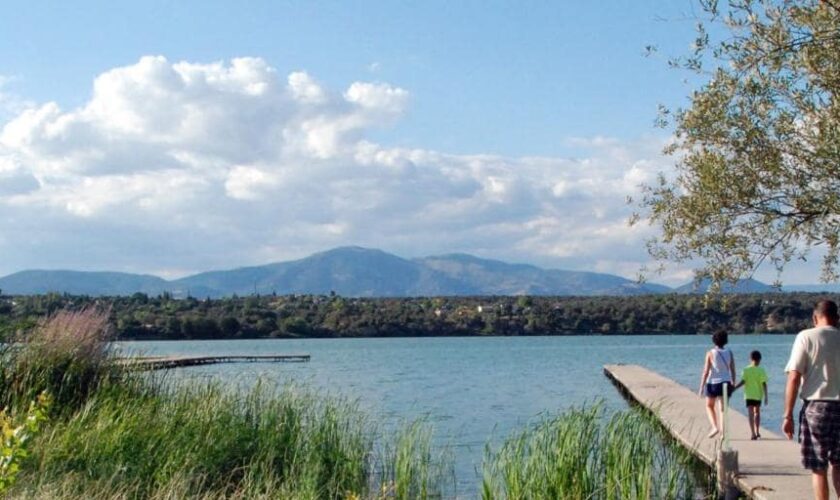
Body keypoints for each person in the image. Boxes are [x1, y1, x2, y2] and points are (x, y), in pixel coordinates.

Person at [783, 299, 840, 500]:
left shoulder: (806, 337)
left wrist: (787, 415)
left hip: (817, 407)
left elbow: (794, 377)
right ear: (837, 318)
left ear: (815, 318)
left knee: (818, 466)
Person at [699, 329, 736, 438]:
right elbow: (733, 369)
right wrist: (733, 382)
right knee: (723, 409)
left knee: (709, 405)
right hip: (726, 382)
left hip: (713, 383)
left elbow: (706, 371)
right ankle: (723, 433)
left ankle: (715, 427)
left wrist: (701, 386)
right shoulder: (729, 352)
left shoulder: (710, 353)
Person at [733, 350, 768, 440]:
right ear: (760, 359)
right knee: (757, 413)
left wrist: (734, 388)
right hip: (758, 395)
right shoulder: (761, 370)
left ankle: (752, 433)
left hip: (748, 395)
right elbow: (764, 384)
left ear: (750, 359)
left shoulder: (746, 370)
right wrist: (766, 396)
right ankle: (757, 431)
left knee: (750, 413)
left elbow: (743, 382)